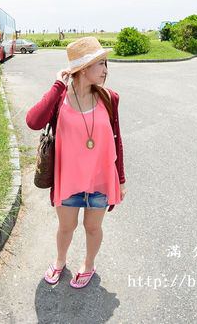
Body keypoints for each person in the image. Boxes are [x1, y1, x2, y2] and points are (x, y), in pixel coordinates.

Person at [26, 36, 127, 289]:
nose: (106, 70)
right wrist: (58, 86)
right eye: (100, 63)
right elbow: (33, 121)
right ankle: (60, 262)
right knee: (66, 227)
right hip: (68, 179)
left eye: (106, 63)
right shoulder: (60, 99)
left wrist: (121, 179)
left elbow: (117, 141)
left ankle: (89, 265)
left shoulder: (109, 98)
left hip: (100, 180)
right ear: (83, 69)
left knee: (93, 228)